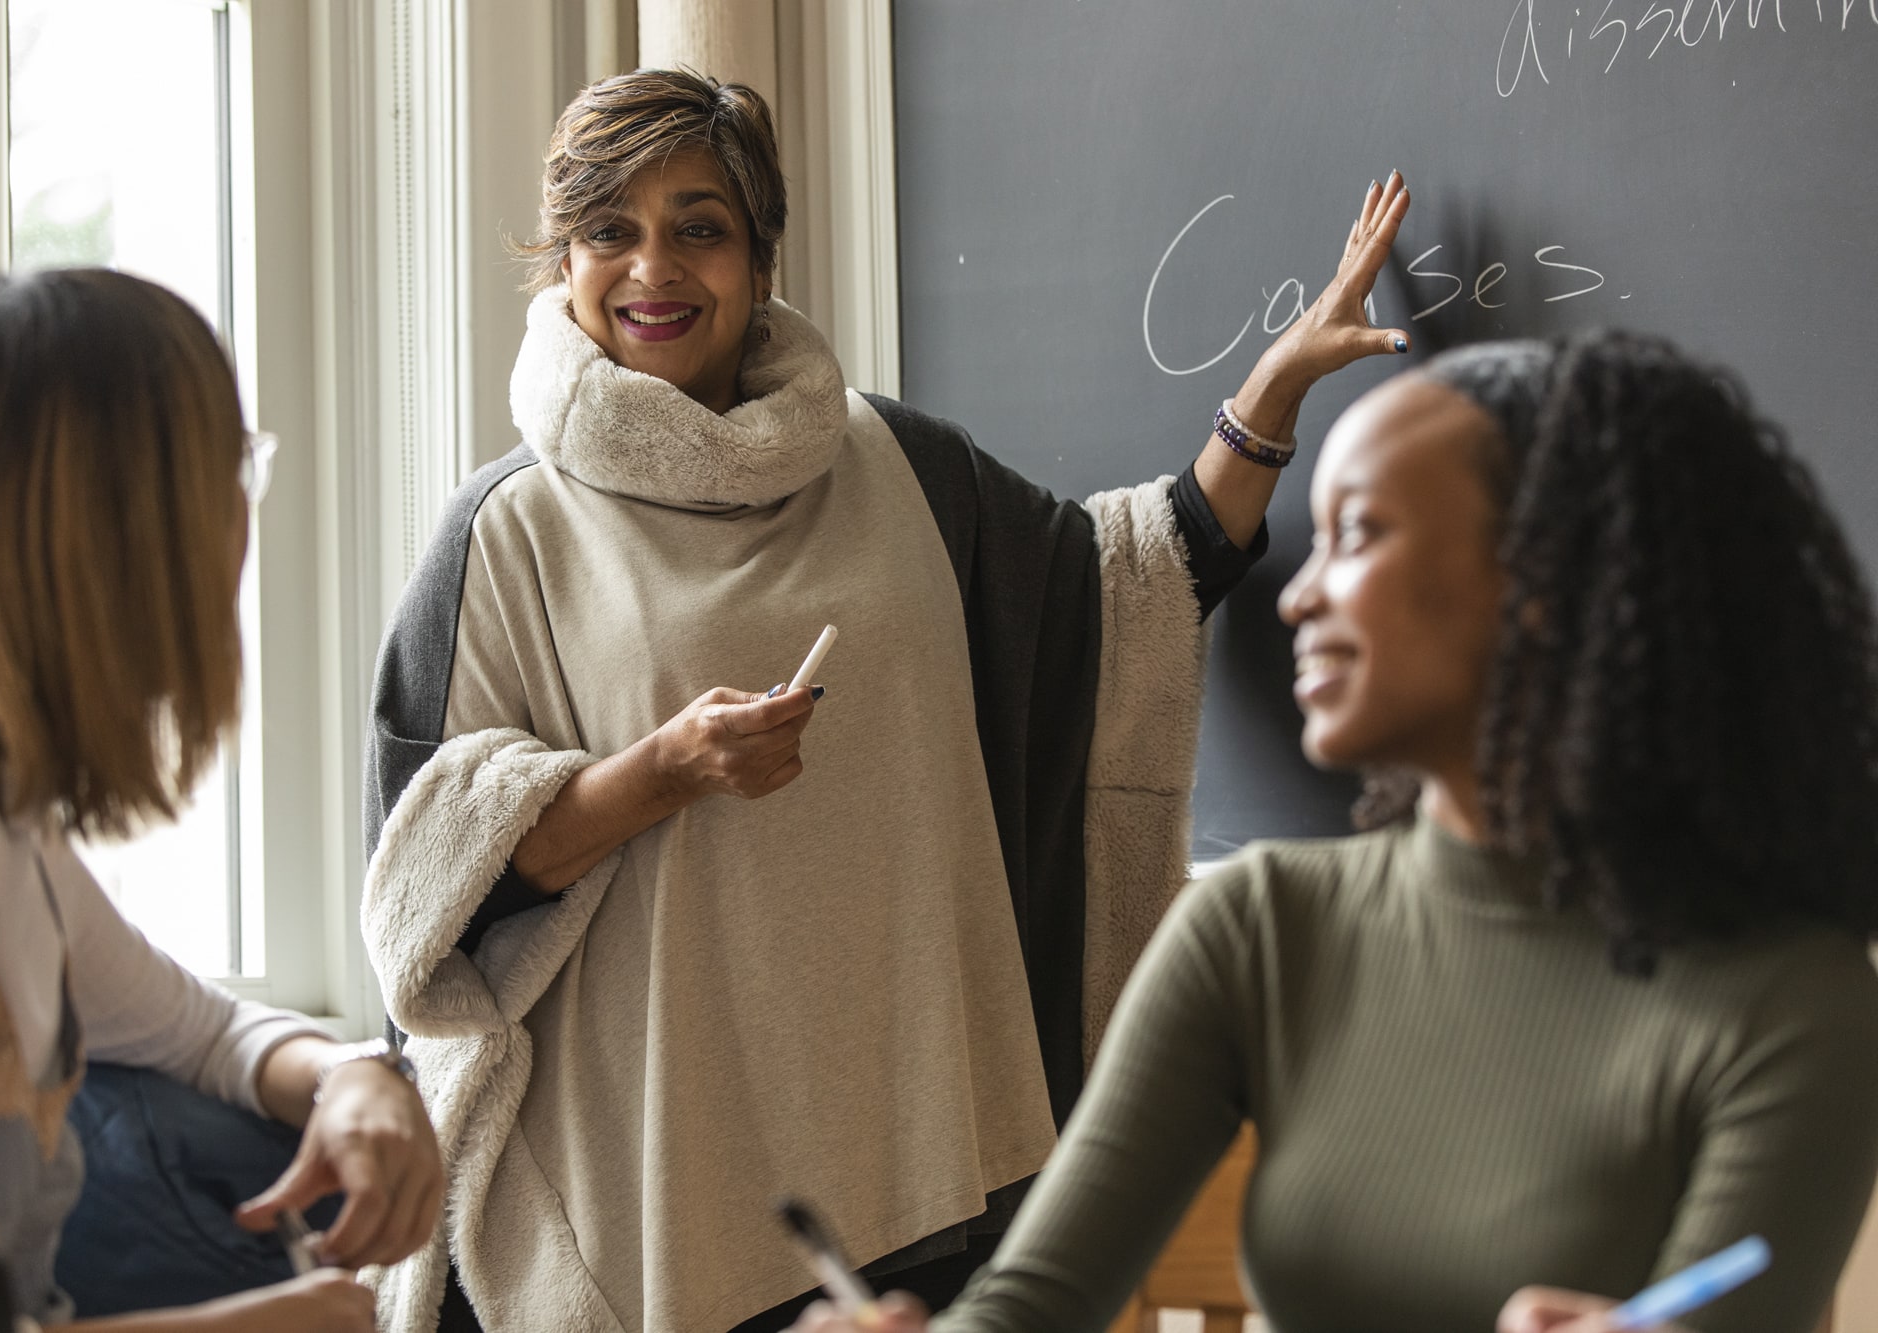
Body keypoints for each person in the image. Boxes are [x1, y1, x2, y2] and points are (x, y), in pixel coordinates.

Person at [360, 69, 1416, 1333]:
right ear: (562, 260)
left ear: (760, 258)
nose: (655, 268)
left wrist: (1271, 397)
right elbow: (434, 888)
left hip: (908, 1165)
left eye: (699, 226)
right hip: (648, 1187)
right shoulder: (504, 533)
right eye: (610, 230)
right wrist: (665, 769)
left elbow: (1125, 591)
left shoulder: (904, 467)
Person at [789, 330, 1878, 1333]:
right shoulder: (1259, 926)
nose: (1297, 597)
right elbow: (1029, 1308)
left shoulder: (1791, 1002)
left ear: (1542, 581)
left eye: (1357, 534)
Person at [0, 270, 445, 1331]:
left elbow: (200, 1033)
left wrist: (351, 1076)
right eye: (228, 468)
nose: (241, 517)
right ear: (110, 535)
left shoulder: (0, 824)